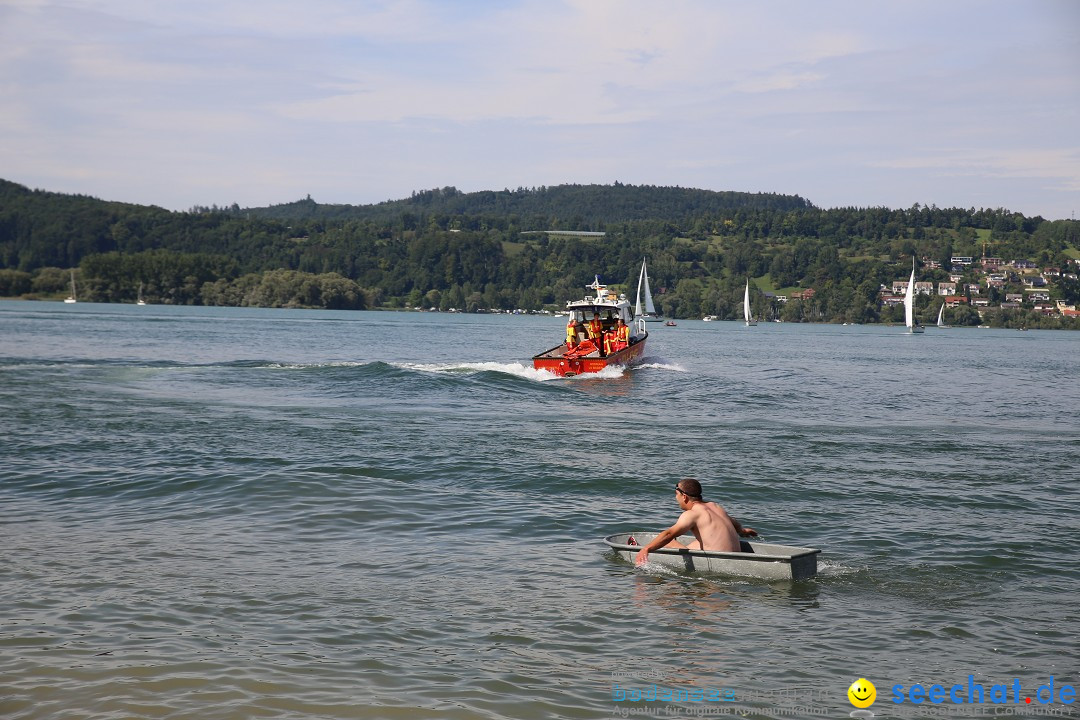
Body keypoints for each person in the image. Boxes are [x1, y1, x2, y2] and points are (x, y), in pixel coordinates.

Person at [634, 478, 757, 565]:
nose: (675, 498)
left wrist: (646, 549)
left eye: (676, 495)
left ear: (684, 497)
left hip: (720, 561)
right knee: (696, 543)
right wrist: (742, 531)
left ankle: (640, 553)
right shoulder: (715, 506)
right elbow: (733, 522)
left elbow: (668, 534)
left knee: (668, 541)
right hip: (736, 556)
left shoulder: (692, 514)